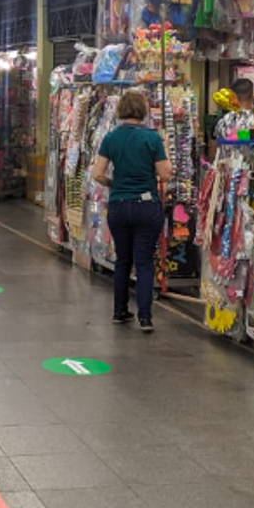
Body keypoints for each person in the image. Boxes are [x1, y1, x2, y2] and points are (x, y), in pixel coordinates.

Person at [90, 90, 173, 333]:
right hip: (146, 205)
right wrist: (163, 150)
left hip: (118, 205)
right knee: (144, 262)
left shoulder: (111, 138)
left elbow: (97, 173)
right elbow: (166, 173)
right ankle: (145, 317)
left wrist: (113, 184)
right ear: (143, 111)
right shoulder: (152, 138)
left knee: (123, 260)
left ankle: (119, 311)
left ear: (120, 111)